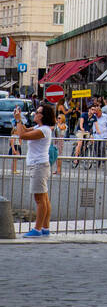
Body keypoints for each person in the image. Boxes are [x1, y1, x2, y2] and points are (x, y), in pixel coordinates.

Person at [16, 101, 55, 236]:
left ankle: (37, 229)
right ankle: (45, 228)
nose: (35, 114)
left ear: (43, 116)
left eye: (38, 112)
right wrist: (19, 119)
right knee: (44, 198)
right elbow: (25, 130)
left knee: (40, 199)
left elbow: (22, 135)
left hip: (38, 165)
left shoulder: (43, 130)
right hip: (39, 164)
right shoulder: (41, 128)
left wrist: (18, 120)